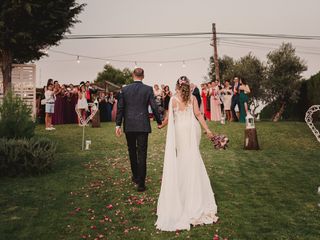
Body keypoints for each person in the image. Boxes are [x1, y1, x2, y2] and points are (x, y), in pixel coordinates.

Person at [156, 76, 218, 231]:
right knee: (193, 157)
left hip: (180, 130)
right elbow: (198, 115)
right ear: (188, 86)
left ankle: (183, 196)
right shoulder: (193, 98)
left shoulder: (173, 100)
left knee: (183, 157)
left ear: (177, 86)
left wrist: (161, 126)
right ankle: (196, 197)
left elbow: (169, 118)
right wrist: (207, 130)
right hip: (192, 128)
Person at [115, 68, 162, 192]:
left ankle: (136, 176)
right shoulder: (148, 89)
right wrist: (159, 121)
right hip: (142, 125)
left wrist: (118, 125)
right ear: (143, 76)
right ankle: (141, 183)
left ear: (132, 75)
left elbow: (120, 108)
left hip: (129, 125)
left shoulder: (124, 90)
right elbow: (154, 106)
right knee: (142, 153)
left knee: (132, 151)